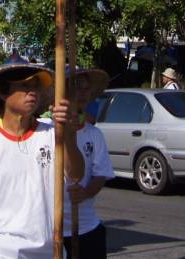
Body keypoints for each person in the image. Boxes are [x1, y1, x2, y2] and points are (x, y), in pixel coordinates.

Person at [0, 62, 84, 259]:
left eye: (36, 86)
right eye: (25, 86)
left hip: (49, 252)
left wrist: (68, 135)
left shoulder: (53, 134)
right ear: (2, 92)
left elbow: (76, 174)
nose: (32, 92)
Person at [61, 68, 113, 259]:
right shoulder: (45, 130)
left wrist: (86, 192)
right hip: (51, 230)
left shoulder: (94, 134)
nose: (83, 93)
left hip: (86, 228)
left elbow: (101, 174)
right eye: (77, 87)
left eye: (86, 88)